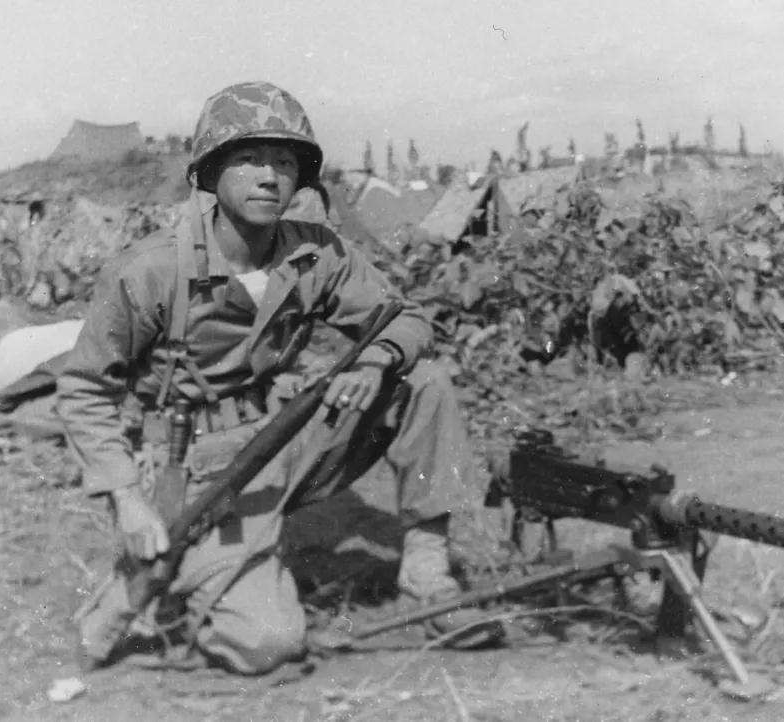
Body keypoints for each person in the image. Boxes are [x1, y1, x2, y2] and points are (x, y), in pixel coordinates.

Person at [57, 81, 498, 675]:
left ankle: (426, 572)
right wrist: (128, 500)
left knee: (422, 382)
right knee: (267, 643)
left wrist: (374, 360)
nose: (269, 177)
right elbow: (85, 387)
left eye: (285, 163)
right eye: (249, 158)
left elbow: (408, 319)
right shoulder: (152, 270)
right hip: (194, 468)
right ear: (211, 171)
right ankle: (174, 592)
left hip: (285, 434)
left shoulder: (315, 253)